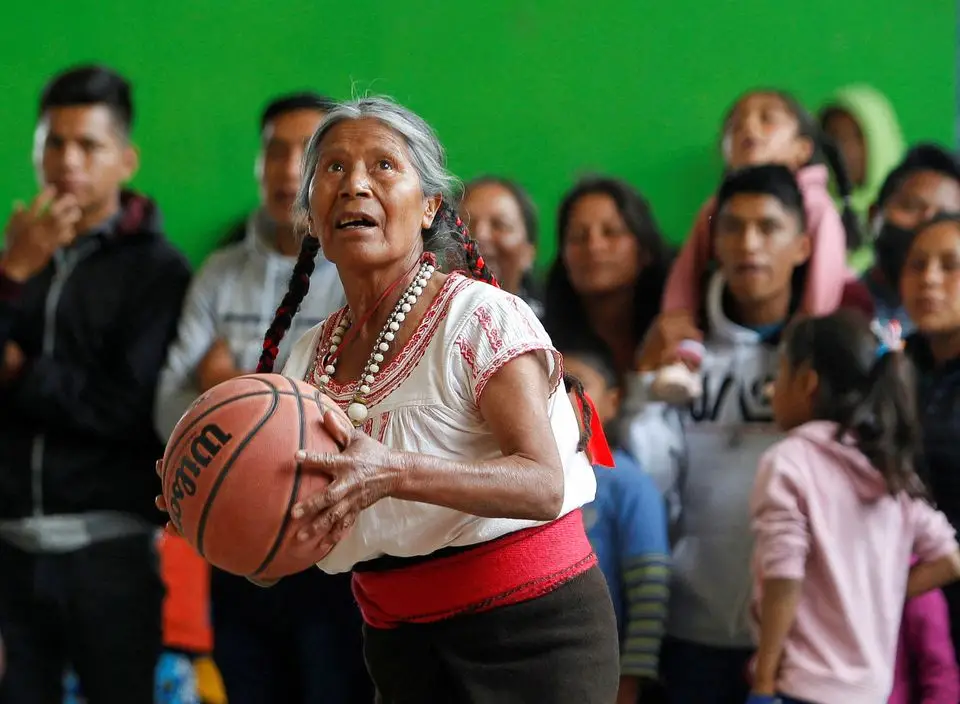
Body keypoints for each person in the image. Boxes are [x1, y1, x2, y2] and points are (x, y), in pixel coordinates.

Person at [156, 96, 619, 703]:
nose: (355, 186)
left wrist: (393, 471)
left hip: (534, 636)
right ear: (311, 217)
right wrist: (219, 515)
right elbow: (280, 559)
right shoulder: (305, 362)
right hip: (399, 648)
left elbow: (542, 484)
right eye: (333, 170)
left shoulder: (480, 317)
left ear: (430, 206)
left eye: (383, 167)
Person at [153, 93, 367, 704]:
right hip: (234, 539)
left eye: (306, 153)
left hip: (331, 550)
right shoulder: (217, 274)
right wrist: (286, 408)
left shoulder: (361, 268)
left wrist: (225, 389)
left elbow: (359, 410)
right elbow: (167, 410)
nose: (284, 168)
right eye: (274, 151)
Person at [0, 65, 190, 704]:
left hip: (108, 553)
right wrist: (13, 272)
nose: (67, 161)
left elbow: (127, 408)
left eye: (89, 145)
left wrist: (22, 373)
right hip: (8, 550)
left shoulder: (157, 272)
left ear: (125, 159)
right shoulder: (16, 254)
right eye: (53, 143)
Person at [629, 164, 812, 704]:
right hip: (691, 627)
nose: (748, 244)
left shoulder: (824, 351)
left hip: (799, 633)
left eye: (768, 227)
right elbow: (648, 476)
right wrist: (645, 383)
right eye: (732, 227)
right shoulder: (680, 346)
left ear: (802, 245)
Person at [748, 310, 960, 704]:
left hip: (800, 685)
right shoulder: (889, 469)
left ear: (807, 382)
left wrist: (763, 681)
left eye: (780, 372)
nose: (772, 388)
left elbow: (783, 578)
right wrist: (881, 592)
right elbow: (950, 560)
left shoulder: (789, 461)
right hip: (872, 690)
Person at [651, 89, 858, 405]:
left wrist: (805, 346)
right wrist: (677, 318)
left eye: (767, 120)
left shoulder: (815, 204)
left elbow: (825, 280)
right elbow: (687, 269)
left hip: (812, 325)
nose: (749, 128)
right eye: (736, 125)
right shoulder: (716, 205)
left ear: (802, 149)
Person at [562, 345, 671, 704]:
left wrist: (631, 677)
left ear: (612, 400)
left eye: (576, 385)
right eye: (553, 385)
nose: (563, 398)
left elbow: (649, 590)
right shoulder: (531, 476)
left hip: (604, 672)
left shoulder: (628, 484)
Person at [542, 175, 672, 375]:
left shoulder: (672, 322)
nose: (594, 247)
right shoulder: (544, 344)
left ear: (644, 249)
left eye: (611, 232)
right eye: (578, 236)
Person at [902, 213, 960, 661]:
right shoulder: (894, 373)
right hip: (906, 624)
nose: (930, 280)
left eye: (949, 265)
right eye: (917, 265)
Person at [862, 144, 960, 333]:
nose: (927, 224)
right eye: (912, 207)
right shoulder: (835, 302)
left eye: (945, 216)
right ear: (874, 215)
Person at [818, 84, 905, 269]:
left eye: (857, 137)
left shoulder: (906, 215)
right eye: (834, 136)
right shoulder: (812, 214)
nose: (844, 149)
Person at [460, 176, 543, 316]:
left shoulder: (546, 332)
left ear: (529, 252)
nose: (481, 235)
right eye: (466, 222)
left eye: (500, 225)